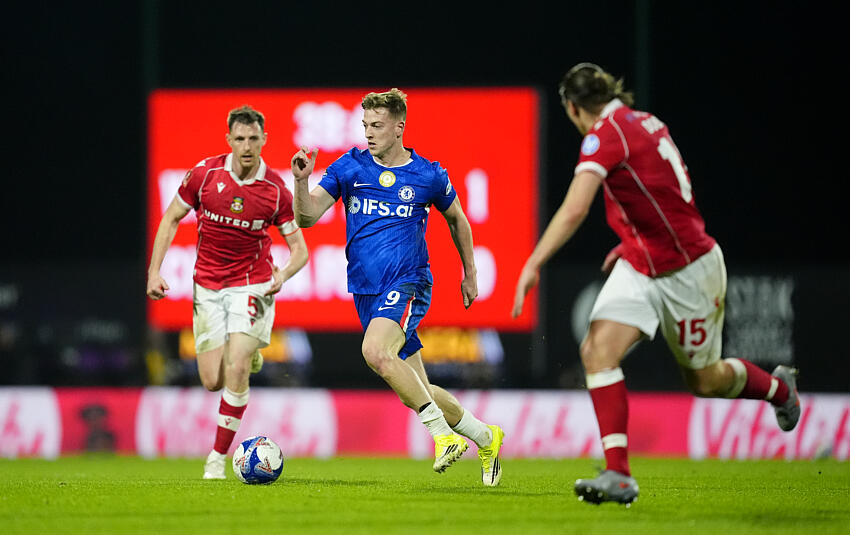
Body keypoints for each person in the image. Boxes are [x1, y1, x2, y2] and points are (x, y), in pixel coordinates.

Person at [511, 63, 801, 505]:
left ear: (572, 108)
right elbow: (659, 191)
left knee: (705, 380)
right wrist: (632, 241)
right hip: (642, 263)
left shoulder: (605, 133)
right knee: (597, 351)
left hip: (688, 271)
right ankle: (618, 474)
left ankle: (780, 388)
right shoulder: (643, 121)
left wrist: (534, 262)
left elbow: (574, 209)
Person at [290, 88, 505, 486]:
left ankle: (442, 438)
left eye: (377, 125)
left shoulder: (427, 175)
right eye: (365, 125)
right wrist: (301, 182)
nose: (368, 133)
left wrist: (470, 273)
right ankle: (484, 435)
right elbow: (306, 216)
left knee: (374, 351)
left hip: (408, 282)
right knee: (416, 389)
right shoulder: (349, 167)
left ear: (399, 126)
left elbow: (458, 218)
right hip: (366, 290)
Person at [147, 105, 309, 479]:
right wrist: (154, 271)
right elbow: (171, 218)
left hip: (252, 283)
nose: (247, 146)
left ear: (264, 139)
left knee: (235, 368)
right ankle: (248, 354)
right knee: (211, 380)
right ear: (229, 140)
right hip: (207, 285)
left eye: (254, 138)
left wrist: (282, 274)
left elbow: (300, 250)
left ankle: (216, 459)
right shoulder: (205, 176)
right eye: (240, 138)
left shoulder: (276, 192)